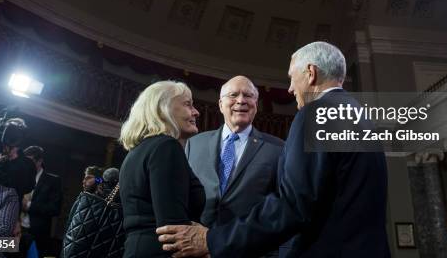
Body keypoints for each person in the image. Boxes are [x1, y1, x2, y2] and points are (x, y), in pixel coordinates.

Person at [157, 42, 390, 257]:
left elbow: (294, 204)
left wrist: (213, 240)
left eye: (291, 78)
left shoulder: (314, 114)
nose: (289, 89)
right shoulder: (360, 116)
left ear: (311, 73)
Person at [185, 76, 284, 255]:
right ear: (221, 104)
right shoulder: (195, 144)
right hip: (195, 250)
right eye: (233, 95)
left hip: (250, 251)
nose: (241, 100)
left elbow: (281, 208)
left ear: (256, 104)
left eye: (248, 95)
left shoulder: (277, 149)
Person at [119, 81, 206, 258]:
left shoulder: (138, 151)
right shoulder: (167, 147)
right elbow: (175, 230)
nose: (196, 112)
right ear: (163, 108)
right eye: (188, 104)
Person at [21, 145, 63, 257]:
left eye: (29, 162)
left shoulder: (53, 180)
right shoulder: (19, 177)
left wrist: (29, 205)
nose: (26, 165)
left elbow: (55, 209)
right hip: (16, 231)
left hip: (37, 234)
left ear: (39, 161)